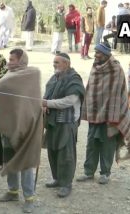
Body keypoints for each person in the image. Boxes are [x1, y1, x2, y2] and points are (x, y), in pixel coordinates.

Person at [0, 48, 43, 213]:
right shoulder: (8, 76)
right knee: (9, 160)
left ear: (21, 61)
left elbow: (31, 104)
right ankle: (12, 191)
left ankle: (29, 198)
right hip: (9, 127)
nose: (9, 62)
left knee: (26, 162)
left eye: (12, 60)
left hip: (26, 127)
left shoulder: (32, 75)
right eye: (9, 59)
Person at [77, 42, 130, 185]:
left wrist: (113, 113)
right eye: (95, 52)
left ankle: (105, 173)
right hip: (95, 114)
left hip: (110, 116)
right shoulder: (95, 66)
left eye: (98, 53)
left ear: (106, 54)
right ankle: (88, 172)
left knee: (107, 146)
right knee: (91, 144)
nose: (95, 55)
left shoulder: (116, 69)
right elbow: (91, 89)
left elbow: (118, 94)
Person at [42, 53, 85, 198]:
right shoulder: (55, 77)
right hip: (53, 121)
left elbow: (69, 101)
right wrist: (44, 104)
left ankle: (66, 184)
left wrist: (48, 103)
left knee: (66, 154)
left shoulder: (74, 79)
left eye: (57, 62)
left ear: (66, 63)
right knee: (53, 151)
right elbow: (47, 95)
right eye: (53, 62)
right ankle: (57, 179)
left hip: (67, 122)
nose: (54, 65)